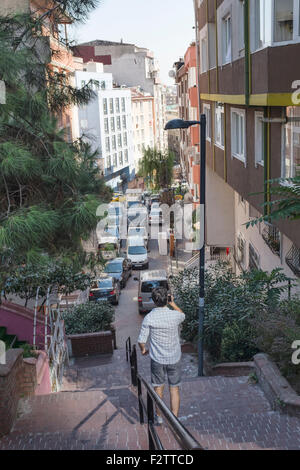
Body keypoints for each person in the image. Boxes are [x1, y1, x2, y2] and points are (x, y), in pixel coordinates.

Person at [138, 287, 185, 424]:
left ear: (153, 300)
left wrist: (143, 350)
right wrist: (173, 304)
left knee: (158, 387)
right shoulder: (174, 315)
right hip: (174, 357)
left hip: (157, 359)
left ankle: (159, 417)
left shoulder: (149, 318)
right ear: (167, 299)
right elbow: (182, 315)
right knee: (174, 388)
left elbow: (141, 341)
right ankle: (175, 419)